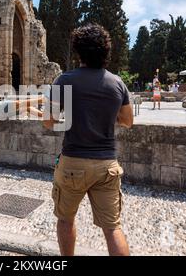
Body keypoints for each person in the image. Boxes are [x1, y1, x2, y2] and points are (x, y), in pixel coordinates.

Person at [43, 24, 133, 256]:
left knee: (65, 220)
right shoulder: (117, 83)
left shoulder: (64, 80)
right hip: (106, 165)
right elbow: (127, 121)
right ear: (106, 52)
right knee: (112, 228)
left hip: (73, 162)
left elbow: (49, 122)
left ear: (78, 52)